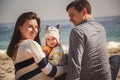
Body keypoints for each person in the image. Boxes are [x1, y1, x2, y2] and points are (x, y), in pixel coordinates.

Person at [7, 11, 66, 80]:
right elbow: (50, 72)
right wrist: (66, 68)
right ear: (20, 28)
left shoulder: (16, 47)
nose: (35, 30)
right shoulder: (30, 44)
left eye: (36, 27)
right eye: (30, 26)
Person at [65, 0, 112, 80]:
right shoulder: (101, 28)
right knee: (115, 58)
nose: (70, 19)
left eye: (72, 15)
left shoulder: (77, 31)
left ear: (84, 11)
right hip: (106, 77)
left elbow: (74, 67)